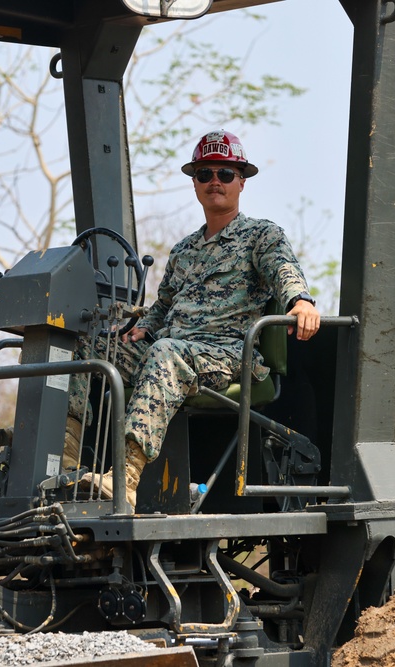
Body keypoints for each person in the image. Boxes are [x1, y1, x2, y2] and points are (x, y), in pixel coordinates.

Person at [66, 130, 320, 510]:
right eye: (204, 174)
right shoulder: (184, 249)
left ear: (241, 182)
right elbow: (163, 304)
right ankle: (67, 461)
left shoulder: (260, 235)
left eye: (224, 173)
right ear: (195, 183)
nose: (214, 181)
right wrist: (145, 326)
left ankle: (124, 479)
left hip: (228, 357)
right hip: (172, 351)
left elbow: (284, 269)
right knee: (90, 346)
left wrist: (300, 301)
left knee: (167, 352)